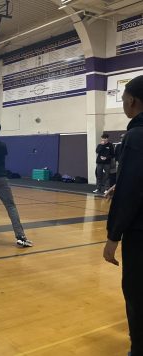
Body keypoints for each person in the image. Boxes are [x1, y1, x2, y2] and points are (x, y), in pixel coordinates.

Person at [104, 75, 143, 356]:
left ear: (131, 100)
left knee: (137, 292)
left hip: (140, 232)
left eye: (122, 99)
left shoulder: (134, 137)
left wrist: (113, 235)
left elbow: (131, 192)